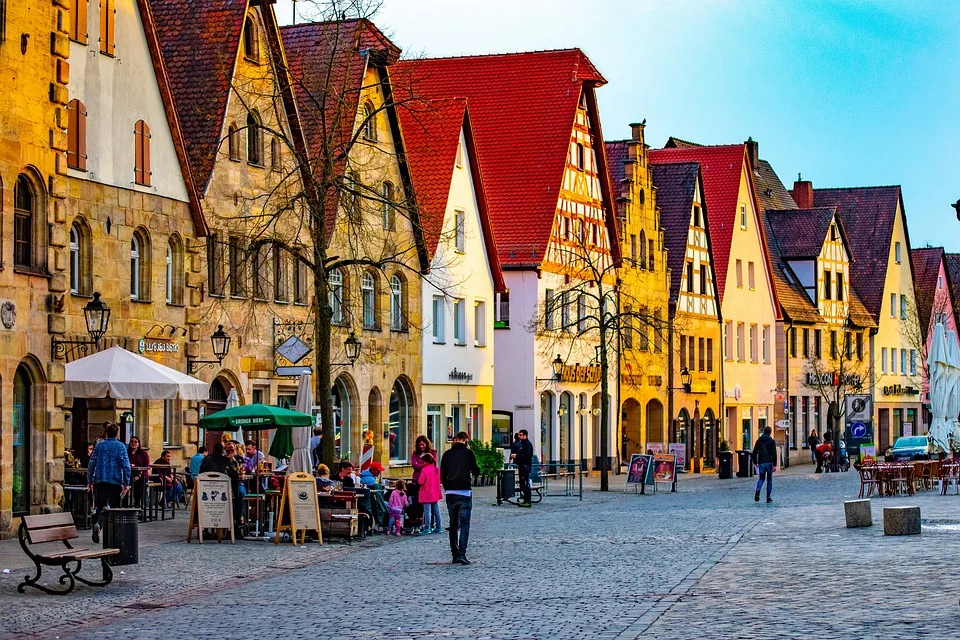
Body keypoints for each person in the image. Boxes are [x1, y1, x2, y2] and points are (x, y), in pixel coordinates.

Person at [440, 431, 481, 565]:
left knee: (453, 524)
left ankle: (454, 553)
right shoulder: (468, 453)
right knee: (464, 524)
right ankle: (462, 554)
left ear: (454, 440)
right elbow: (476, 471)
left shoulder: (447, 454)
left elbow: (442, 475)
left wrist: (448, 488)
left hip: (451, 492)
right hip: (464, 491)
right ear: (466, 440)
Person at [86, 423, 131, 544]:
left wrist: (89, 480)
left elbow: (91, 463)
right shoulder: (120, 446)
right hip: (115, 480)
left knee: (100, 506)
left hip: (100, 480)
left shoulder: (100, 446)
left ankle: (98, 524)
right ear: (116, 434)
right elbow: (126, 465)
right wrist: (126, 482)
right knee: (114, 507)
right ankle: (113, 534)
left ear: (106, 433)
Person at [201, 442, 245, 529]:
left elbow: (201, 473)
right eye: (227, 450)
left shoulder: (205, 459)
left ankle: (204, 526)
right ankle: (237, 519)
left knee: (239, 492)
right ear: (223, 450)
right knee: (238, 493)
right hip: (223, 494)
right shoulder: (226, 461)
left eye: (232, 450)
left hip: (207, 494)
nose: (229, 452)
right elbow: (236, 476)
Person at [410, 436, 437, 529]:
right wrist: (425, 465)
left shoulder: (433, 452)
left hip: (429, 482)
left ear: (426, 444)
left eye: (423, 444)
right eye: (419, 445)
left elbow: (432, 465)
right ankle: (418, 521)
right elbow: (414, 465)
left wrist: (420, 465)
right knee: (417, 503)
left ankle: (430, 524)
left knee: (430, 504)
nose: (421, 446)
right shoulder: (415, 453)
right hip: (418, 480)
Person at [417, 453, 442, 535]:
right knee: (436, 510)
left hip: (426, 493)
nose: (422, 463)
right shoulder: (437, 469)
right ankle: (439, 527)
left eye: (423, 462)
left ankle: (427, 528)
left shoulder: (424, 470)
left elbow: (420, 481)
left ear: (427, 461)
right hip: (435, 492)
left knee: (427, 511)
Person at [752, 426, 777, 503]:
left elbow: (754, 452)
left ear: (763, 432)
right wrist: (774, 464)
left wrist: (755, 462)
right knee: (769, 480)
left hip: (761, 462)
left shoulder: (759, 441)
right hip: (769, 462)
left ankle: (758, 490)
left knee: (761, 479)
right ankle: (768, 498)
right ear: (770, 432)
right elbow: (774, 453)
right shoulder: (772, 441)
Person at [510, 429, 534, 507]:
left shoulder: (527, 444)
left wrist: (516, 456)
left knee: (525, 483)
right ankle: (525, 499)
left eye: (521, 435)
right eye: (519, 435)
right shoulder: (522, 444)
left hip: (525, 466)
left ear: (525, 436)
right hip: (522, 465)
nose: (519, 436)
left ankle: (527, 500)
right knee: (523, 483)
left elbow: (527, 455)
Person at [127, 436, 150, 507]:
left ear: (138, 444)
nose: (133, 443)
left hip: (141, 475)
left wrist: (138, 476)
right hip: (129, 474)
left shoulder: (143, 453)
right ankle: (125, 504)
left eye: (135, 442)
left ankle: (137, 504)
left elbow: (146, 466)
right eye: (132, 441)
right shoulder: (126, 453)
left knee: (138, 484)